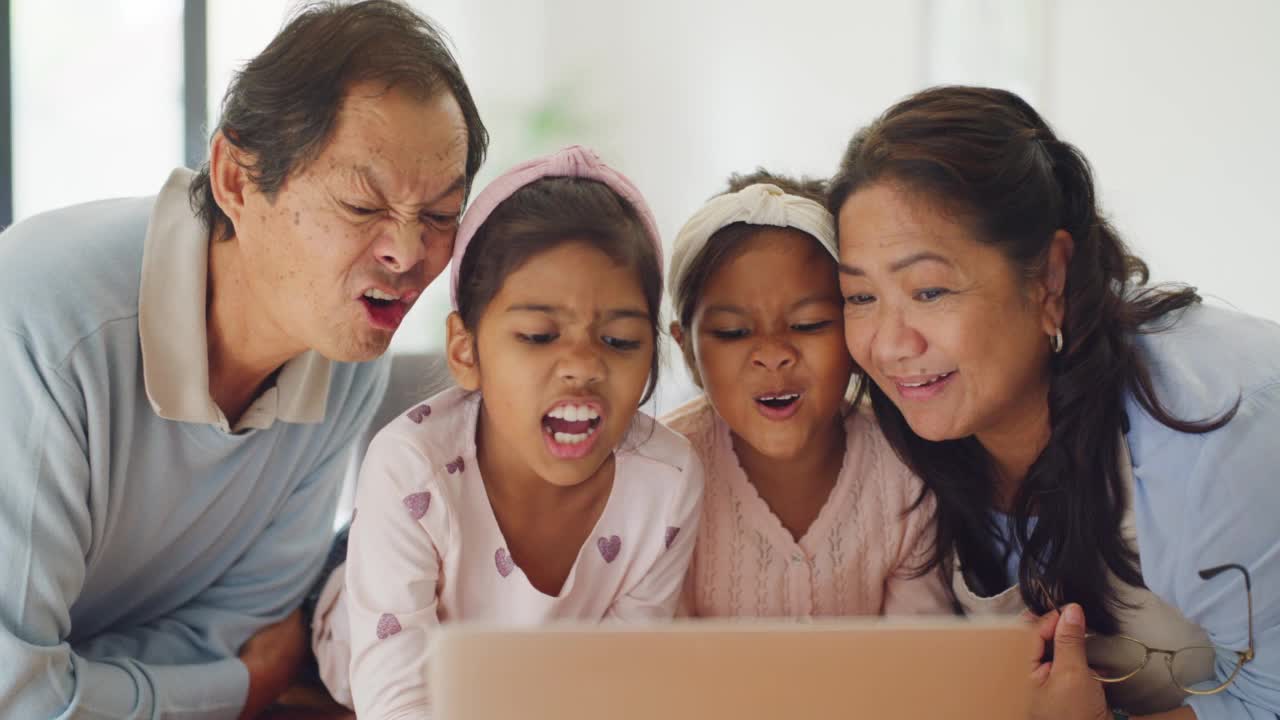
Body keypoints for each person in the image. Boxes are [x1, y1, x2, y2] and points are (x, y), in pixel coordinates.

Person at [0, 2, 487, 717]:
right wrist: (232, 691)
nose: (409, 255)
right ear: (234, 178)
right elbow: (20, 695)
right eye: (361, 205)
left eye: (441, 216)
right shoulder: (42, 319)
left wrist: (116, 681)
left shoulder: (347, 358)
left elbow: (240, 630)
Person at [830, 85, 1279, 718]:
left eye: (929, 291)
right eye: (860, 298)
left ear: (1050, 276)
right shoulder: (903, 442)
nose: (890, 345)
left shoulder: (1218, 432)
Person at [309, 146, 704, 717]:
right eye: (540, 335)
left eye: (619, 341)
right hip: (353, 603)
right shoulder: (408, 465)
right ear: (465, 351)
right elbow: (395, 699)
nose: (583, 366)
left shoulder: (668, 483)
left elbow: (621, 681)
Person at [663, 172, 949, 618]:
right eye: (734, 332)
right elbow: (659, 668)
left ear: (857, 332)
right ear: (688, 351)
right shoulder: (659, 482)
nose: (774, 355)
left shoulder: (906, 472)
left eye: (809, 324)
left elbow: (919, 663)